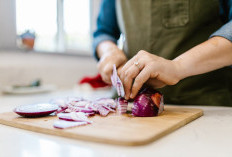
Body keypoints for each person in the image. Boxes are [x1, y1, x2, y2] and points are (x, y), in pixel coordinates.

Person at [93, 0, 232, 106]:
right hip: (130, 105)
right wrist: (108, 51)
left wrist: (177, 67)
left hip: (204, 104)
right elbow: (104, 31)